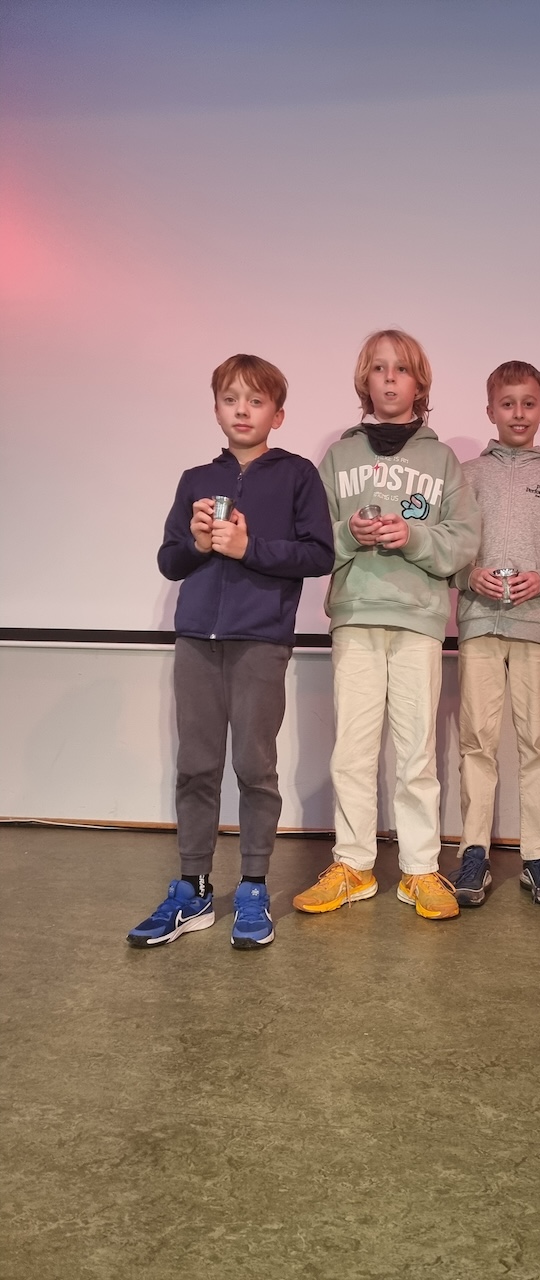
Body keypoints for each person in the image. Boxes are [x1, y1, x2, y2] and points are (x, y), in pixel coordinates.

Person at [127, 354, 334, 949]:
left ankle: (252, 886)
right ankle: (192, 888)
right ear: (216, 408)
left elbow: (318, 554)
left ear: (278, 414)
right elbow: (170, 561)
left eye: (256, 401)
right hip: (197, 639)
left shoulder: (297, 475)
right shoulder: (196, 478)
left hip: (261, 642)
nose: (243, 410)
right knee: (195, 766)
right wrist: (197, 544)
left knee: (254, 766)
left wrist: (249, 548)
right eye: (230, 399)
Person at [292, 330, 480, 921]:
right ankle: (353, 865)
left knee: (416, 751)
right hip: (356, 616)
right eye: (379, 368)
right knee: (352, 748)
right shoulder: (339, 457)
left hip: (418, 620)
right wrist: (350, 534)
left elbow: (465, 540)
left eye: (401, 369)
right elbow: (311, 540)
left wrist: (414, 536)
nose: (390, 378)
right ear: (365, 381)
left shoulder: (442, 460)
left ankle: (420, 869)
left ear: (419, 383)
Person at [451, 361, 540, 906]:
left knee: (535, 742)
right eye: (508, 403)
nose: (519, 413)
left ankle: (538, 857)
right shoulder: (466, 474)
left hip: (538, 627)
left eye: (529, 403)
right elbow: (448, 548)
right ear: (490, 410)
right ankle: (473, 852)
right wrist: (469, 575)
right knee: (477, 741)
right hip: (480, 624)